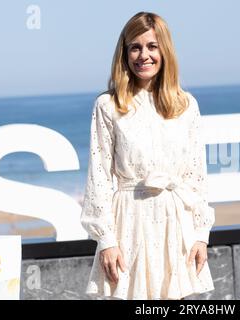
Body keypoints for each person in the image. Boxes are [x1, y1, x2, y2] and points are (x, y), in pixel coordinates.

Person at [80, 12, 215, 300]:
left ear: (164, 50)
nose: (144, 55)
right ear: (125, 52)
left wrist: (201, 234)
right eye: (135, 47)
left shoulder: (186, 105)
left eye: (152, 46)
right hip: (129, 221)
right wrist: (106, 240)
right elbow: (100, 177)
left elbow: (196, 176)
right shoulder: (108, 105)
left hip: (176, 223)